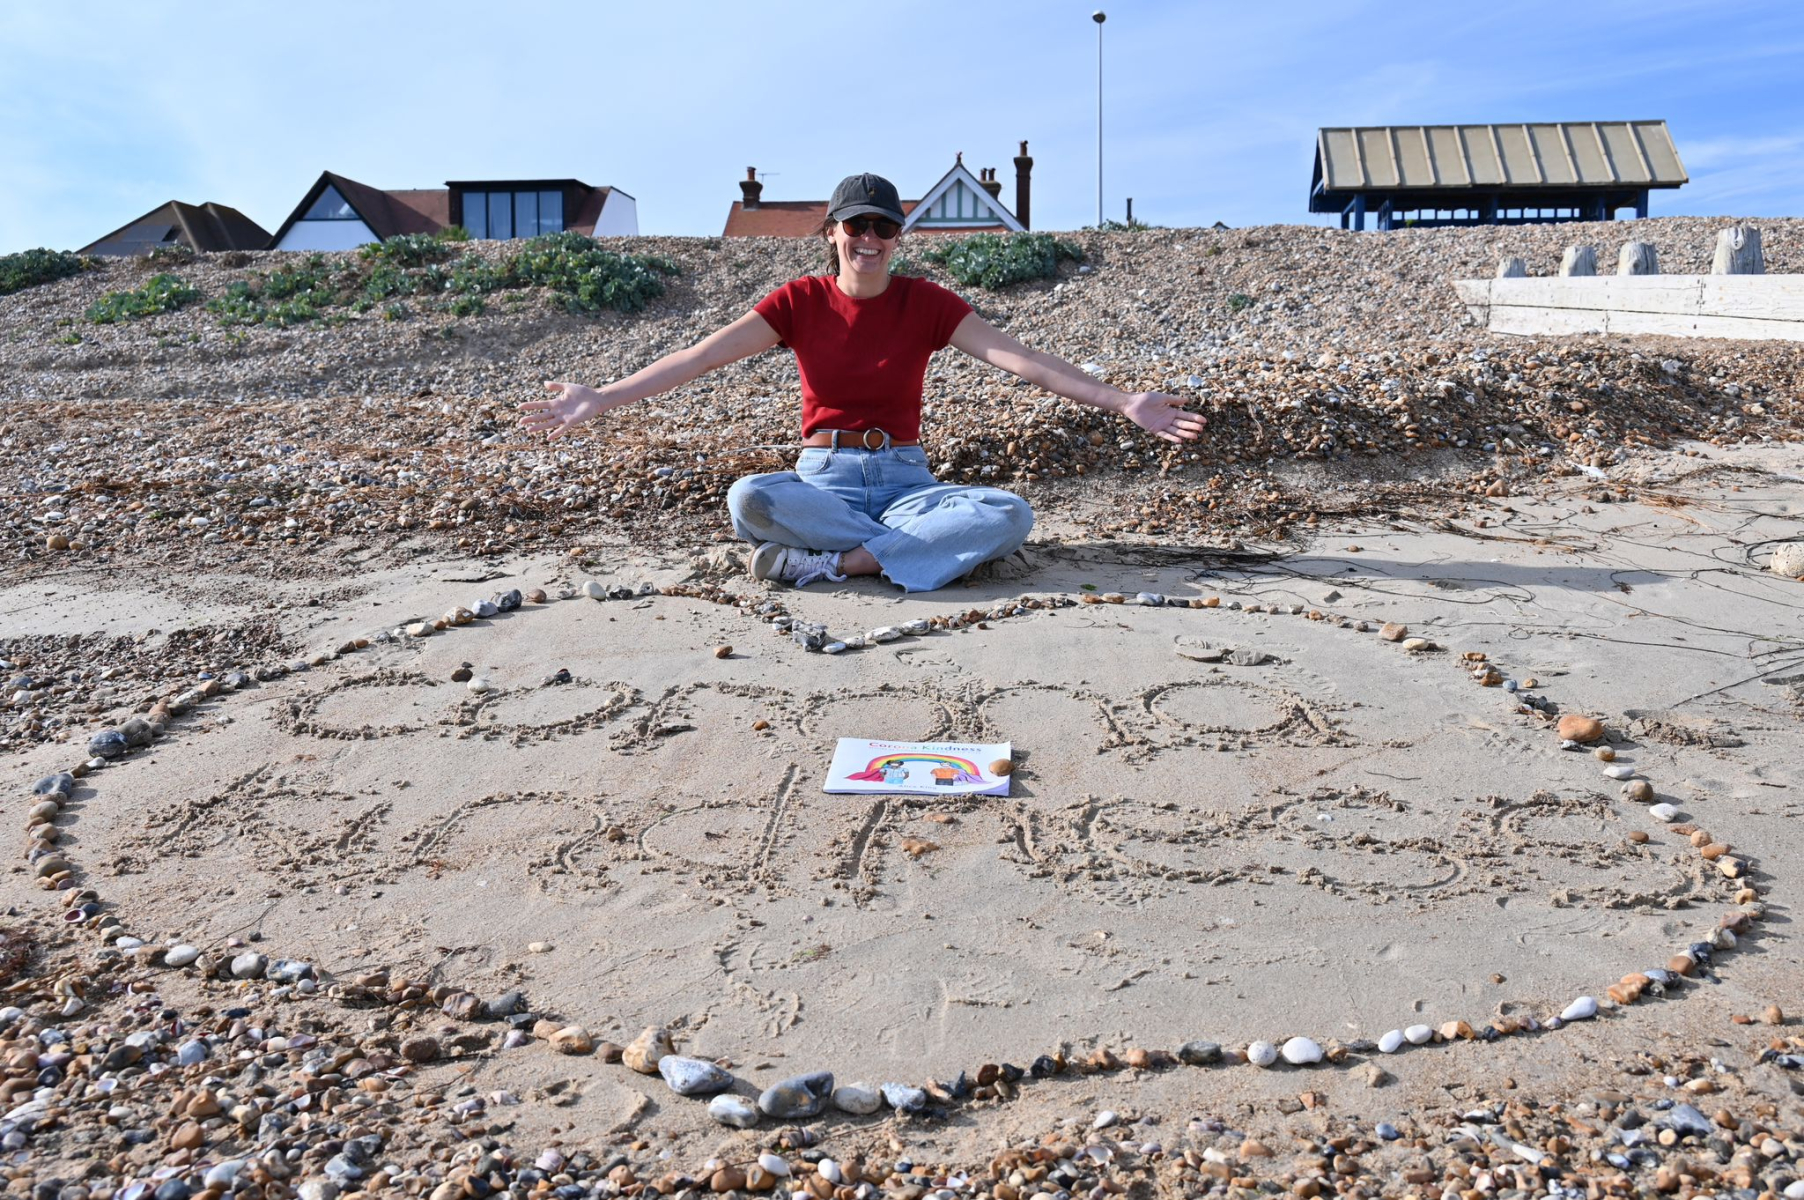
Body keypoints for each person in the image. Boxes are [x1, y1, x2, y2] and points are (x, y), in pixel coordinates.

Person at [519, 172, 1205, 592]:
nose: (870, 238)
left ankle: (831, 566)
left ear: (898, 237)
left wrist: (1125, 402)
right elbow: (700, 357)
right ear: (832, 232)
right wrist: (602, 397)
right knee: (747, 499)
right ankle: (882, 556)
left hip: (909, 482)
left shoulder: (928, 303)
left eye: (884, 227)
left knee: (1008, 516)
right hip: (824, 478)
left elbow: (1020, 359)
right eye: (857, 225)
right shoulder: (798, 302)